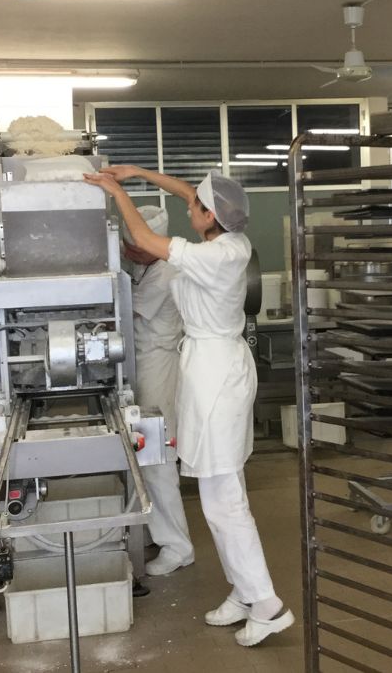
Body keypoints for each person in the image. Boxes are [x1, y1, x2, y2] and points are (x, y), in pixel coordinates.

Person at [84, 165, 294, 647]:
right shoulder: (228, 239)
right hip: (213, 367)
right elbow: (186, 193)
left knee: (225, 501)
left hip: (216, 375)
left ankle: (267, 605)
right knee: (222, 493)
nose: (188, 208)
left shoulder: (213, 256)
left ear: (210, 217)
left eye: (196, 207)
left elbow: (143, 237)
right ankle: (243, 591)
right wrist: (138, 172)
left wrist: (115, 191)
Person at [123, 205, 194, 577]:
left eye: (134, 246)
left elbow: (125, 312)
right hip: (142, 368)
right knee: (144, 458)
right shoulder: (146, 265)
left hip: (158, 370)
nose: (128, 251)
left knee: (157, 459)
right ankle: (157, 530)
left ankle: (177, 547)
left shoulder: (165, 272)